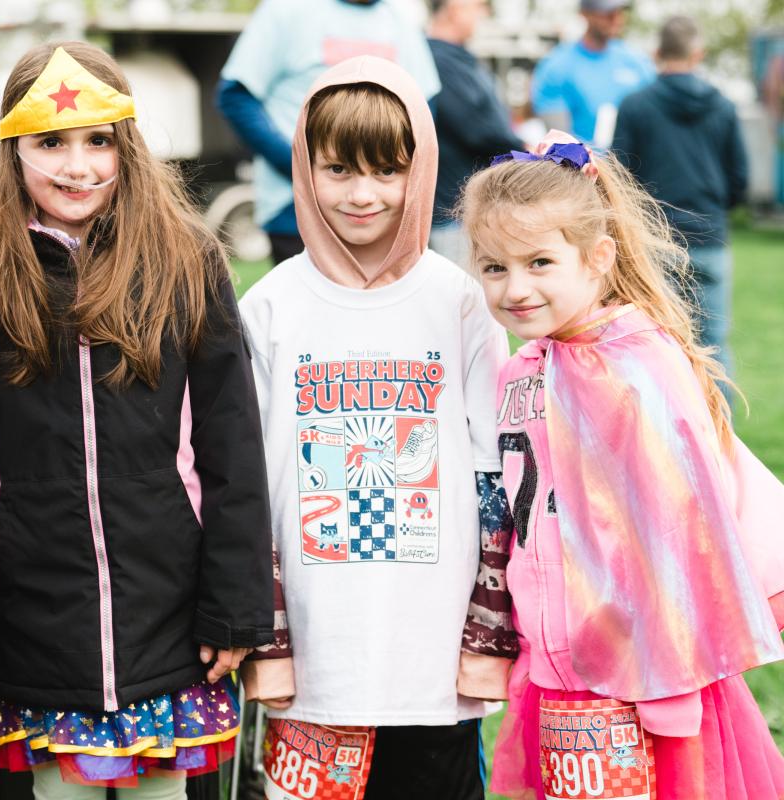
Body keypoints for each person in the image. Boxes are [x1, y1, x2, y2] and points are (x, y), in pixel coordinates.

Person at [0, 42, 275, 799]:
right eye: (51, 143)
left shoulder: (188, 259)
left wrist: (234, 607)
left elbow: (232, 445)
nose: (77, 166)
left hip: (171, 621)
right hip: (33, 625)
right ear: (12, 150)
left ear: (127, 145)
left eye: (98, 141)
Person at [459, 135, 784, 798]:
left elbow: (682, 530)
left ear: (597, 259)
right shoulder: (523, 369)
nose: (516, 288)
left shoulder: (636, 367)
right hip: (556, 670)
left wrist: (668, 689)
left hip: (646, 684)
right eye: (494, 267)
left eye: (540, 262)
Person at [237, 56, 513, 800]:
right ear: (305, 170)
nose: (363, 195)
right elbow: (244, 483)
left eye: (387, 171)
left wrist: (487, 632)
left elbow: (496, 475)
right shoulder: (268, 308)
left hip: (432, 659)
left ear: (419, 171)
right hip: (317, 656)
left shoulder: (461, 303)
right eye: (338, 170)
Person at [217, 0, 441, 265]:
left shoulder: (401, 17)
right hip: (292, 206)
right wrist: (302, 167)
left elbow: (422, 109)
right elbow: (236, 97)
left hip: (383, 208)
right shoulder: (284, 9)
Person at [612, 15, 747, 374]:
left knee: (656, 344)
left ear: (657, 52)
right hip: (710, 238)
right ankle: (717, 413)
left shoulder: (635, 106)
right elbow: (739, 179)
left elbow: (619, 177)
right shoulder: (724, 107)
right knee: (714, 346)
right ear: (698, 54)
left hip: (656, 242)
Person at [427, 0, 526, 267]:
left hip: (476, 206)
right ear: (455, 6)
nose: (484, 13)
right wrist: (523, 148)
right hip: (453, 209)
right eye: (479, 5)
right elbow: (478, 130)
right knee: (464, 287)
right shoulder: (435, 59)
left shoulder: (459, 57)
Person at [530, 0, 653, 148]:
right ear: (585, 14)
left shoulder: (637, 62)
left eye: (619, 12)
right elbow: (561, 143)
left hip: (635, 159)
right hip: (585, 160)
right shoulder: (556, 67)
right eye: (607, 14)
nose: (616, 19)